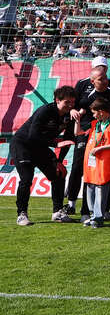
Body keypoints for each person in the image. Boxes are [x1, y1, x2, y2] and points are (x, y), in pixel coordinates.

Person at [11, 86, 78, 225]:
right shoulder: (45, 111)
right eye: (67, 102)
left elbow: (68, 139)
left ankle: (57, 212)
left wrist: (59, 161)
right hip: (23, 145)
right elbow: (33, 135)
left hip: (40, 147)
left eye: (72, 102)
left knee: (60, 173)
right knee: (26, 179)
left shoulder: (69, 116)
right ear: (57, 100)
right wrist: (55, 144)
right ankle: (21, 214)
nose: (70, 105)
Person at [67, 66, 110, 222]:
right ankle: (85, 210)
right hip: (90, 142)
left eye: (105, 77)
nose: (104, 81)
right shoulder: (87, 99)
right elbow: (77, 115)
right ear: (92, 82)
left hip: (108, 144)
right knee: (88, 175)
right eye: (100, 79)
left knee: (107, 178)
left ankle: (104, 210)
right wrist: (73, 112)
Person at [81, 98, 110, 228]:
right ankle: (93, 215)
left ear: (101, 112)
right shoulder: (94, 124)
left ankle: (98, 218)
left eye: (94, 113)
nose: (93, 115)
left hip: (104, 164)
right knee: (90, 187)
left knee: (101, 189)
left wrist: (100, 148)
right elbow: (78, 132)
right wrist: (77, 120)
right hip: (92, 163)